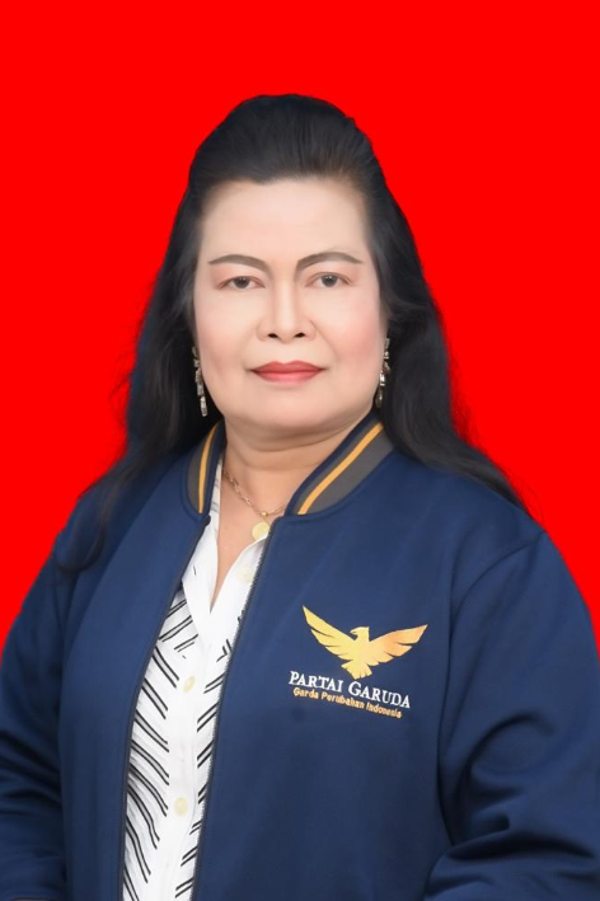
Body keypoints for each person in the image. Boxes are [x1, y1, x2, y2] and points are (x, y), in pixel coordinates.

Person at [1, 93, 599, 901]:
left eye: (326, 277)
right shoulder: (111, 524)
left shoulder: (490, 564)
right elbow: (19, 780)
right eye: (241, 280)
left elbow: (545, 858)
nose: (284, 321)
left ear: (389, 310)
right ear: (190, 314)